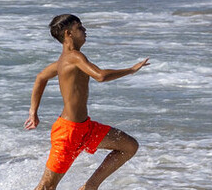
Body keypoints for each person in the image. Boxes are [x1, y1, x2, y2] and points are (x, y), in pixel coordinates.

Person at [25, 14, 149, 190]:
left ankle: (90, 187)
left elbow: (40, 77)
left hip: (85, 129)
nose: (85, 30)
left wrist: (33, 111)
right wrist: (130, 70)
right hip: (68, 133)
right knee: (46, 186)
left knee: (129, 146)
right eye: (80, 27)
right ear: (68, 33)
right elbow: (100, 76)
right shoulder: (74, 57)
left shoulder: (63, 61)